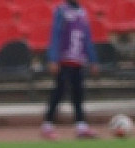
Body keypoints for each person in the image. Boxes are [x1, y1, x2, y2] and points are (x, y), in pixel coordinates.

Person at [42, 0, 100, 140]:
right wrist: (53, 58)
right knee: (59, 92)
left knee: (78, 93)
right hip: (64, 59)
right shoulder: (61, 11)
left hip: (78, 60)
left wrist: (93, 60)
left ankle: (81, 125)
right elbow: (55, 34)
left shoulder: (82, 12)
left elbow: (87, 37)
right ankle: (48, 124)